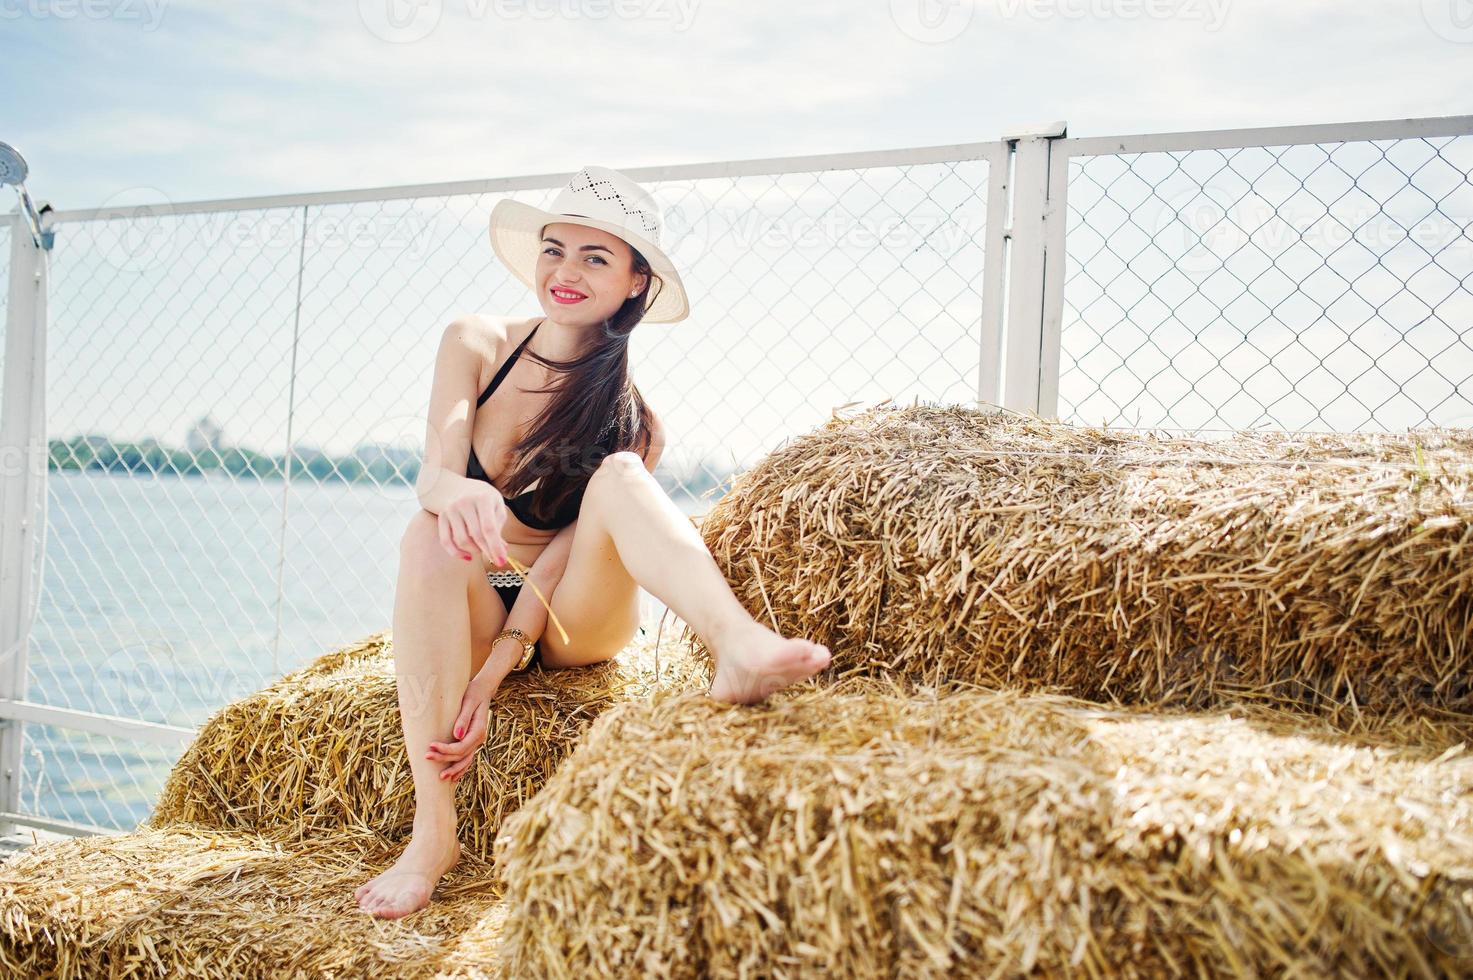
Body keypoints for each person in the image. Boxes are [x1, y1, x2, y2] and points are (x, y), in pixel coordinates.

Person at [354, 165, 832, 919]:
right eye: (553, 249)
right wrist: (463, 492)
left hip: (572, 609)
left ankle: (737, 642)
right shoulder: (475, 341)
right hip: (484, 589)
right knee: (427, 534)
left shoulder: (634, 422)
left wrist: (494, 674)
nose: (565, 271)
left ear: (635, 284)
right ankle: (432, 833)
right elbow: (432, 478)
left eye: (594, 258)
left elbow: (555, 560)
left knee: (616, 476)